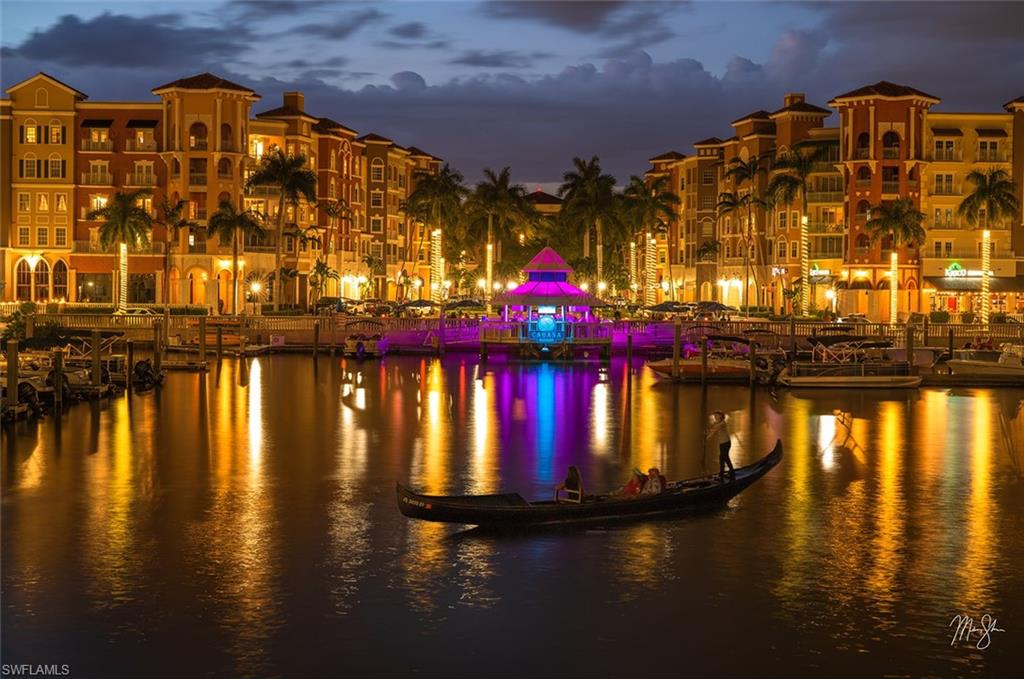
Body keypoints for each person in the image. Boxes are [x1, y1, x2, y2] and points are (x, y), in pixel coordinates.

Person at [707, 411, 735, 482]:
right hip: (722, 443)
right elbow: (713, 430)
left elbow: (715, 429)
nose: (715, 417)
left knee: (725, 456)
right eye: (714, 416)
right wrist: (708, 435)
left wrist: (709, 436)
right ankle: (721, 474)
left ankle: (732, 472)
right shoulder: (717, 423)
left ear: (720, 416)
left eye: (716, 415)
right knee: (721, 458)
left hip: (726, 443)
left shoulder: (723, 423)